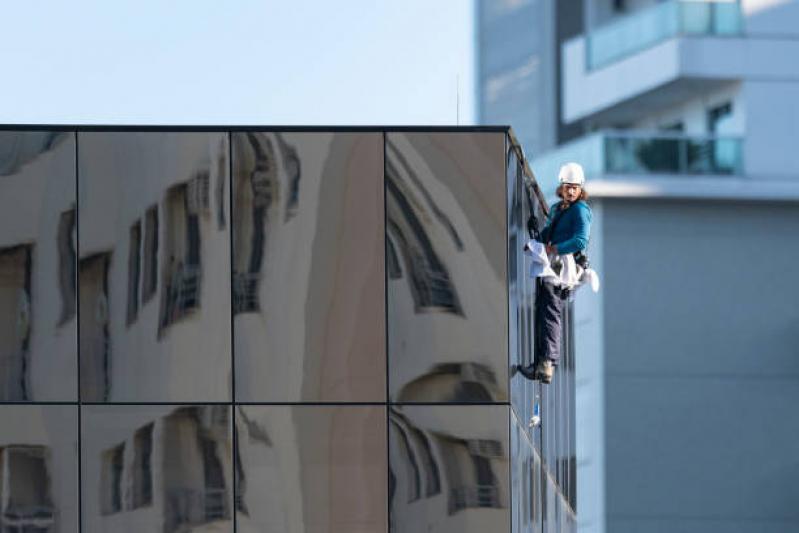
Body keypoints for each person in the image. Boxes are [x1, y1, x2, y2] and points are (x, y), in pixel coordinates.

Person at [523, 162, 592, 384]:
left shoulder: (581, 210)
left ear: (580, 190)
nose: (571, 191)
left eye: (575, 187)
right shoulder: (556, 209)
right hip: (552, 262)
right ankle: (540, 362)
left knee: (551, 311)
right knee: (543, 309)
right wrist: (536, 242)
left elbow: (580, 240)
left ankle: (547, 364)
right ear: (561, 188)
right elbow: (547, 232)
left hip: (564, 265)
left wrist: (555, 248)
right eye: (567, 187)